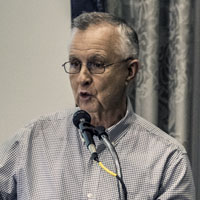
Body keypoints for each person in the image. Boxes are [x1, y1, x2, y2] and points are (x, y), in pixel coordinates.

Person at [0, 12, 195, 199]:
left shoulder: (167, 160)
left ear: (130, 71)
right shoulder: (33, 140)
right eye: (75, 64)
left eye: (97, 64)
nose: (82, 78)